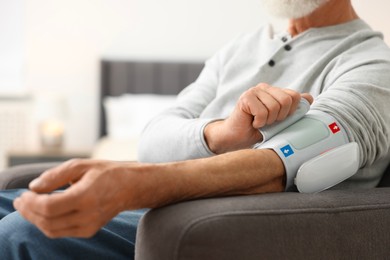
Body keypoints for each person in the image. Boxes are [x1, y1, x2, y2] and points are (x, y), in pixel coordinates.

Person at [1, 0, 390, 258]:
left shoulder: (372, 63)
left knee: (22, 231)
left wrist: (132, 186)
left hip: (220, 226)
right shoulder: (238, 49)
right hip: (162, 209)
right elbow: (152, 141)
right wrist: (223, 134)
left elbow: (291, 161)